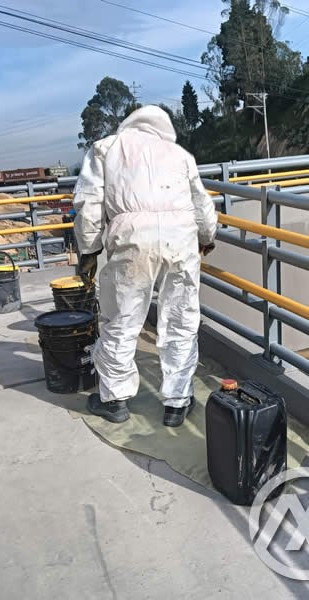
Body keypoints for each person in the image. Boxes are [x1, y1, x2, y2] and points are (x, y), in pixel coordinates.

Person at [72, 105, 217, 427]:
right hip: (181, 238)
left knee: (121, 319)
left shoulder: (106, 148)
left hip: (132, 238)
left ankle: (115, 400)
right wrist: (207, 237)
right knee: (180, 320)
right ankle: (177, 404)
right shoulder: (179, 154)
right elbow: (202, 204)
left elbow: (89, 204)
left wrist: (89, 250)